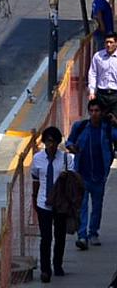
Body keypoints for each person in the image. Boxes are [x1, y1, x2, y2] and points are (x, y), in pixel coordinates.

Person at [67, 98, 117, 249]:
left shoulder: (107, 129)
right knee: (82, 206)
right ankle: (82, 236)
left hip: (99, 176)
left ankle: (93, 232)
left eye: (97, 111)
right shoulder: (80, 127)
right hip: (81, 175)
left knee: (97, 206)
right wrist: (72, 147)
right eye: (92, 111)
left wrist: (115, 123)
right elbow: (69, 142)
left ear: (102, 113)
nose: (94, 114)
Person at [32, 126, 75, 282]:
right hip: (43, 202)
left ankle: (57, 264)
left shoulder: (66, 159)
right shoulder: (37, 159)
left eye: (54, 142)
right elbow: (35, 179)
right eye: (48, 141)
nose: (51, 145)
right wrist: (34, 198)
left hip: (60, 204)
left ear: (58, 143)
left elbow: (72, 180)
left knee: (60, 236)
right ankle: (45, 269)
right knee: (46, 238)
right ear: (44, 142)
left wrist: (65, 176)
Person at [90, 33, 117, 119]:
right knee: (100, 121)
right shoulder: (98, 56)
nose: (108, 45)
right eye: (106, 42)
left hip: (115, 95)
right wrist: (92, 91)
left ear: (116, 43)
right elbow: (93, 73)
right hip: (101, 95)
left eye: (111, 42)